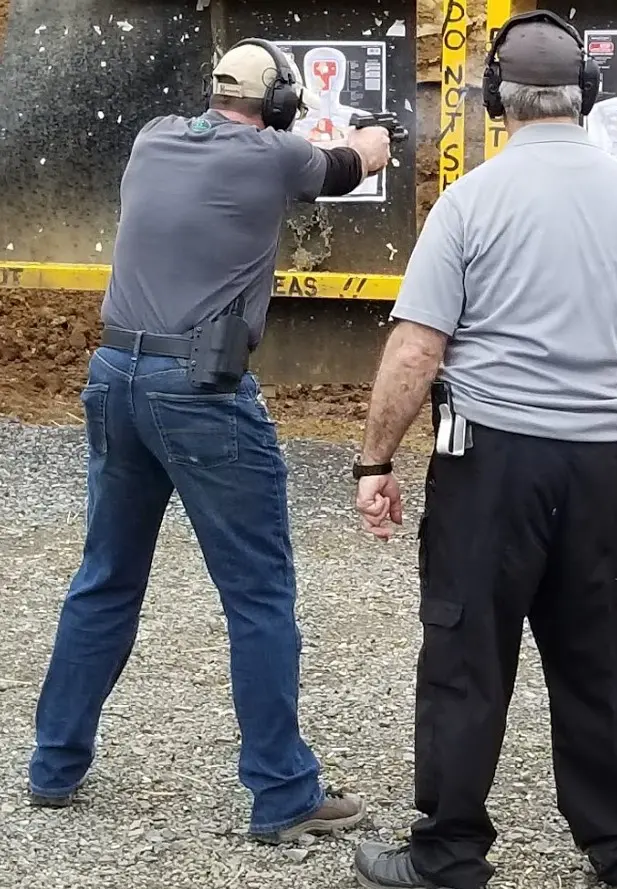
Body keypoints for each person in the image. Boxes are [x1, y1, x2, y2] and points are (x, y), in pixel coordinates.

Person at [352, 11, 617, 889]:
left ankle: (449, 862)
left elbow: (415, 350)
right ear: (587, 96)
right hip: (602, 468)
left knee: (466, 659)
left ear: (494, 98)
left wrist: (375, 460)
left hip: (490, 467)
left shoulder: (471, 201)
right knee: (602, 659)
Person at [27, 37, 390, 844]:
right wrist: (380, 132)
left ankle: (54, 762)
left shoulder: (155, 135)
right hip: (200, 392)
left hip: (114, 374)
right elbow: (346, 164)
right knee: (258, 592)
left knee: (105, 575)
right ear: (280, 105)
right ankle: (283, 790)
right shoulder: (273, 157)